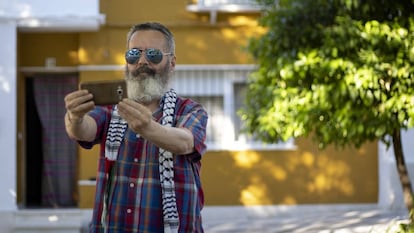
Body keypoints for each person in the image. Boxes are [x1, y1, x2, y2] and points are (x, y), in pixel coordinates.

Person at [64, 22, 208, 233]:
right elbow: (84, 129)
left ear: (172, 62)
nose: (142, 61)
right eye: (134, 54)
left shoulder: (190, 110)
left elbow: (185, 142)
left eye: (153, 54)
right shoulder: (111, 108)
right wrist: (75, 116)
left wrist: (148, 127)